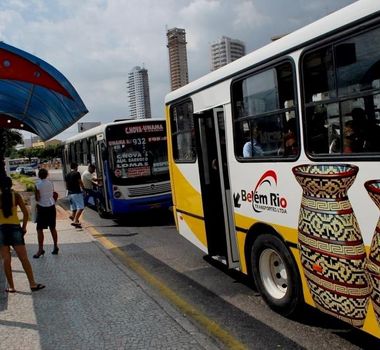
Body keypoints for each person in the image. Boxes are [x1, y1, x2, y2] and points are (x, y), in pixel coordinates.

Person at [0, 176, 45, 293]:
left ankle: (11, 287)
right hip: (15, 229)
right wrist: (24, 228)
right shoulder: (16, 196)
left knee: (6, 259)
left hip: (1, 230)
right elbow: (26, 214)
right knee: (24, 258)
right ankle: (32, 284)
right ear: (11, 185)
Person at [33, 168, 59, 258]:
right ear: (47, 175)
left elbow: (37, 198)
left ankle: (40, 249)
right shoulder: (51, 183)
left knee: (39, 229)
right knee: (53, 228)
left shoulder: (37, 184)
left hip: (42, 208)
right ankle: (55, 246)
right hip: (51, 207)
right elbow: (53, 194)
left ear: (39, 175)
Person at [65, 163, 84, 228]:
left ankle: (73, 216)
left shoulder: (67, 174)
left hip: (70, 193)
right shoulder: (77, 173)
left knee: (74, 208)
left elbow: (66, 185)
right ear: (76, 167)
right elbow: (80, 182)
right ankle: (75, 221)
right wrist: (83, 189)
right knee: (81, 207)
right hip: (76, 192)